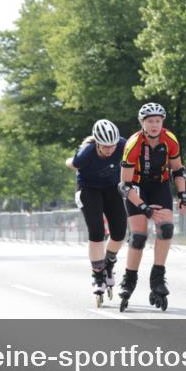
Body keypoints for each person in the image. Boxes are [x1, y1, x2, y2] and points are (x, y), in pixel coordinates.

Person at [117, 103, 186, 311]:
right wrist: (144, 208)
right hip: (136, 187)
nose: (155, 125)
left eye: (158, 121)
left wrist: (183, 195)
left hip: (159, 184)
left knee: (166, 229)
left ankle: (157, 278)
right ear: (142, 123)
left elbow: (178, 170)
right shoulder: (133, 144)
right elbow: (124, 186)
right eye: (150, 121)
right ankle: (129, 280)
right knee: (139, 237)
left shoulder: (170, 139)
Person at [66, 119, 128, 307]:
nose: (110, 150)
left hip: (112, 187)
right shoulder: (86, 152)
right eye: (105, 147)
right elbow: (72, 163)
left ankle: (108, 262)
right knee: (97, 232)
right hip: (89, 188)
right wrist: (70, 161)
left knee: (119, 233)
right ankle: (97, 273)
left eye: (112, 146)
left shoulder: (123, 145)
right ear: (97, 142)